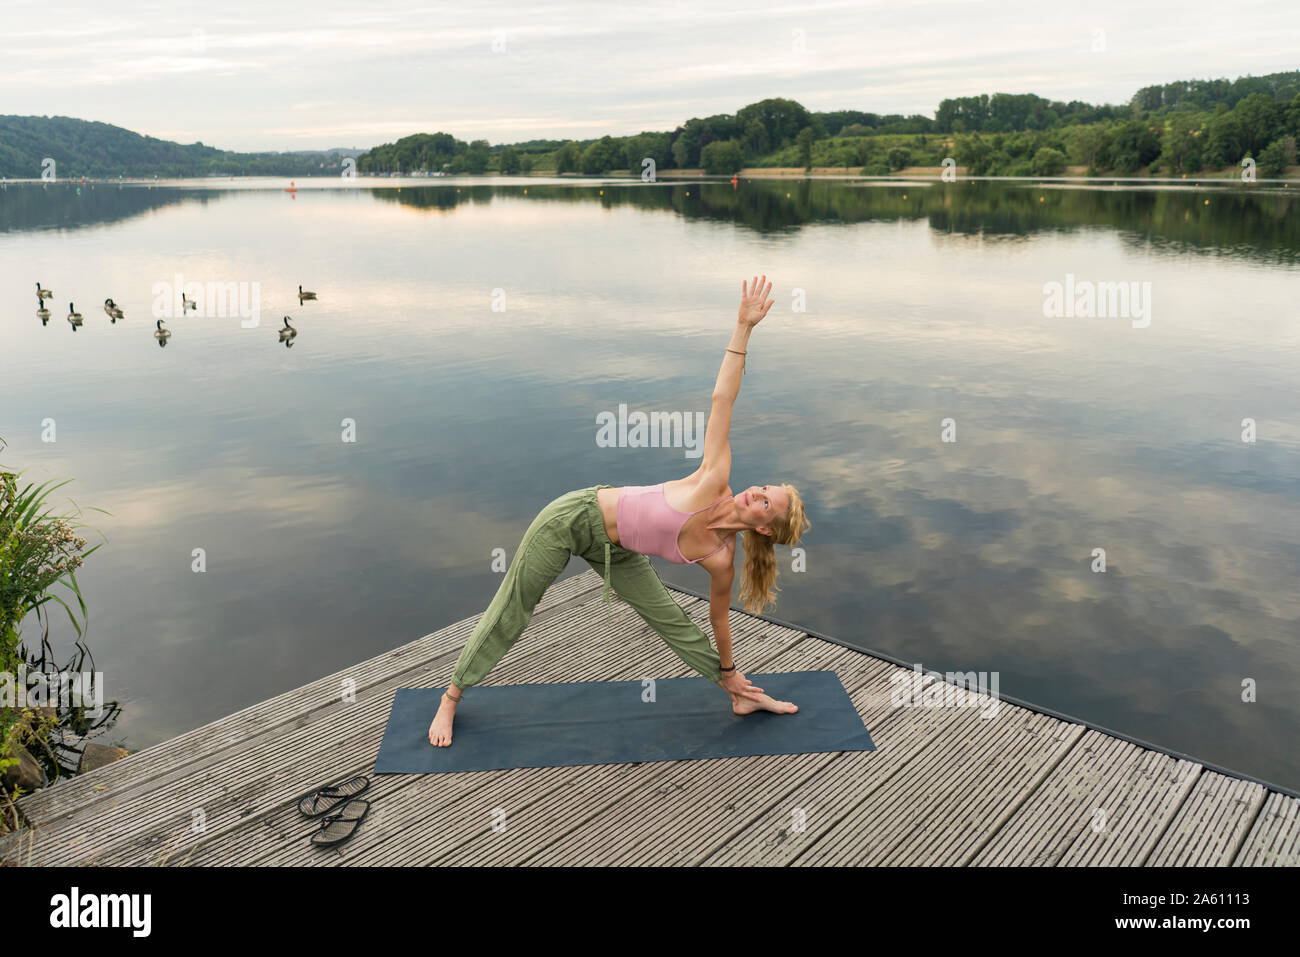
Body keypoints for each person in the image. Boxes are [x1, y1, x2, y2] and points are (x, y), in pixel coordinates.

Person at [429, 274, 811, 747]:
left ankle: (738, 695)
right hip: (572, 520)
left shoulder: (721, 559)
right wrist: (743, 328)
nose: (756, 491)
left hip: (619, 550)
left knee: (673, 620)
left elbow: (718, 621)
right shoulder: (714, 477)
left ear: (767, 530)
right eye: (764, 487)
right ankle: (451, 696)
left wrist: (732, 674)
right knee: (516, 607)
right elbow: (721, 399)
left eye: (766, 501)